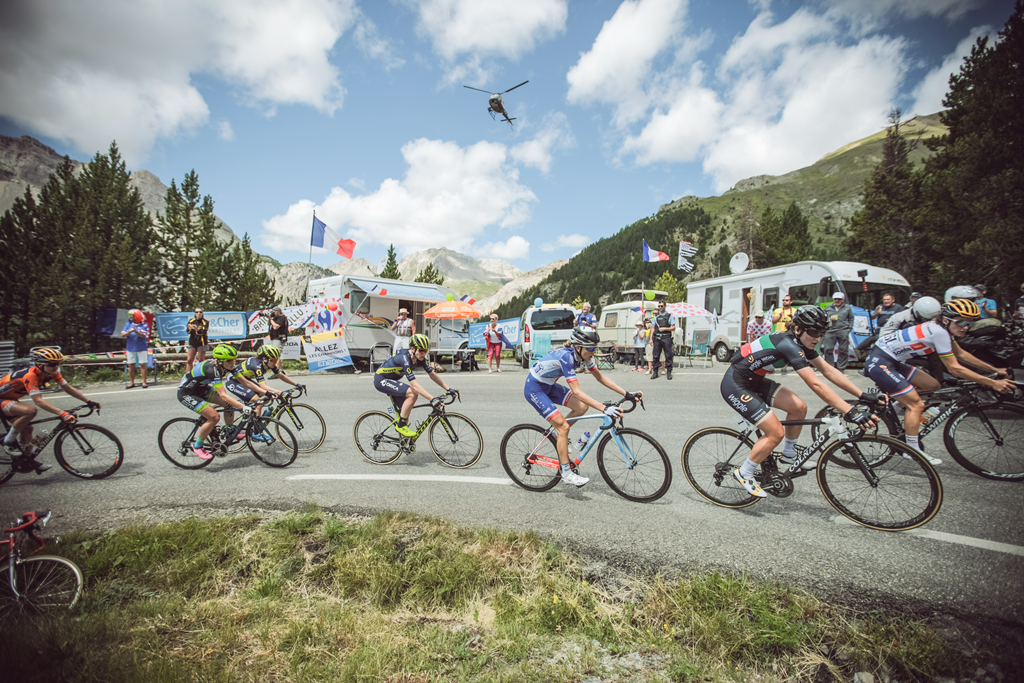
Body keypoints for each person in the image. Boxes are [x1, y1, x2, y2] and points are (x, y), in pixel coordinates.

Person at [722, 306, 881, 498]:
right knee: (775, 433)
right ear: (797, 329)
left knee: (799, 407)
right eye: (813, 332)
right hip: (735, 384)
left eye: (822, 333)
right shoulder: (788, 344)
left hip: (754, 381)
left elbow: (828, 371)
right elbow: (815, 383)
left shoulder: (803, 342)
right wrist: (850, 411)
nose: (817, 338)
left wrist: (862, 395)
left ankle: (789, 455)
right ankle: (745, 472)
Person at [865, 299, 1014, 465]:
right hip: (881, 362)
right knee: (917, 405)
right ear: (946, 319)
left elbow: (962, 355)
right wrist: (992, 383)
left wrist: (995, 370)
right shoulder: (940, 332)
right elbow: (954, 368)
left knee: (933, 386)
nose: (965, 327)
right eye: (961, 322)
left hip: (892, 360)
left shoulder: (945, 329)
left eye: (970, 323)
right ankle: (912, 449)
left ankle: (894, 409)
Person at [523, 326, 641, 488]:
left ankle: (559, 435)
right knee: (564, 427)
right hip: (535, 389)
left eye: (595, 347)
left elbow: (600, 378)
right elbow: (577, 391)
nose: (594, 351)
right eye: (591, 348)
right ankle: (566, 473)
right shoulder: (567, 357)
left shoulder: (585, 357)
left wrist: (626, 393)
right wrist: (603, 408)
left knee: (581, 407)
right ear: (578, 347)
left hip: (549, 386)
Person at [1, 348, 101, 474]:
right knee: (31, 411)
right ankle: (8, 441)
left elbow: (67, 388)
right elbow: (38, 401)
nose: (56, 367)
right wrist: (62, 413)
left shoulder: (52, 373)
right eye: (52, 364)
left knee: (28, 428)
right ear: (40, 365)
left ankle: (27, 460)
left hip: (9, 399)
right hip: (2, 399)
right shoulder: (30, 375)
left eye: (59, 363)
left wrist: (88, 401)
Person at [176, 344, 263, 460]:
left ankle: (229, 430)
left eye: (234, 360)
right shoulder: (212, 369)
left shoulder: (229, 367)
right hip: (187, 393)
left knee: (229, 405)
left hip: (202, 389)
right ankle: (197, 446)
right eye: (229, 361)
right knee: (214, 417)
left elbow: (246, 383)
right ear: (220, 361)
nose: (232, 363)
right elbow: (223, 394)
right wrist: (242, 407)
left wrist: (265, 392)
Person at [373, 333, 455, 437]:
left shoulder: (419, 358)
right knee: (413, 393)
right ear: (412, 349)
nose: (424, 353)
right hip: (382, 380)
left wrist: (449, 388)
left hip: (392, 380)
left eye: (426, 351)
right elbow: (415, 385)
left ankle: (404, 442)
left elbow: (432, 374)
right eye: (421, 350)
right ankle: (401, 426)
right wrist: (432, 399)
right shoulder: (404, 359)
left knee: (406, 410)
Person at [821, 292, 854, 372]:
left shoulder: (847, 307)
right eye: (835, 299)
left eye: (839, 299)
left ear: (843, 300)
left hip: (843, 330)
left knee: (843, 349)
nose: (837, 300)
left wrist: (849, 328)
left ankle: (841, 368)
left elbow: (851, 318)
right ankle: (830, 367)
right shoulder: (828, 307)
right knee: (828, 349)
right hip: (830, 330)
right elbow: (823, 318)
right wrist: (829, 318)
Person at [121, 309, 150, 388]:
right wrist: (129, 332)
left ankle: (144, 382)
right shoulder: (128, 324)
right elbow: (123, 334)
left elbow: (143, 335)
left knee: (142, 364)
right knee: (131, 365)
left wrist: (136, 331)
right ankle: (132, 382)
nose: (130, 317)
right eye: (129, 316)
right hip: (130, 347)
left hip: (142, 347)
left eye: (132, 316)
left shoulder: (144, 324)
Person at [650, 301, 676, 380]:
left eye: (661, 306)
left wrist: (665, 328)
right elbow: (653, 328)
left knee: (668, 355)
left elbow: (673, 327)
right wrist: (651, 338)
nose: (660, 307)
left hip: (666, 338)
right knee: (655, 356)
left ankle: (669, 372)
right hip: (657, 338)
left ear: (665, 306)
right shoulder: (656, 316)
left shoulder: (669, 316)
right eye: (659, 306)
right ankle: (655, 372)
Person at [772, 295, 796, 375]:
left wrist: (793, 318)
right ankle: (774, 365)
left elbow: (797, 322)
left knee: (787, 350)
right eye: (783, 300)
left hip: (789, 333)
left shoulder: (794, 310)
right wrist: (780, 316)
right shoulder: (778, 310)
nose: (784, 302)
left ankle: (784, 367)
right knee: (776, 350)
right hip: (779, 332)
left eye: (786, 300)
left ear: (790, 302)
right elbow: (773, 321)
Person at [267, 306, 289, 372]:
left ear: (278, 311)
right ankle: (280, 370)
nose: (273, 313)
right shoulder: (275, 318)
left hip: (279, 338)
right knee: (276, 354)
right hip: (275, 338)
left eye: (274, 312)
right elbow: (269, 324)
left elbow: (275, 327)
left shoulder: (282, 318)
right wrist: (270, 318)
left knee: (276, 354)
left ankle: (278, 370)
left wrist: (271, 319)